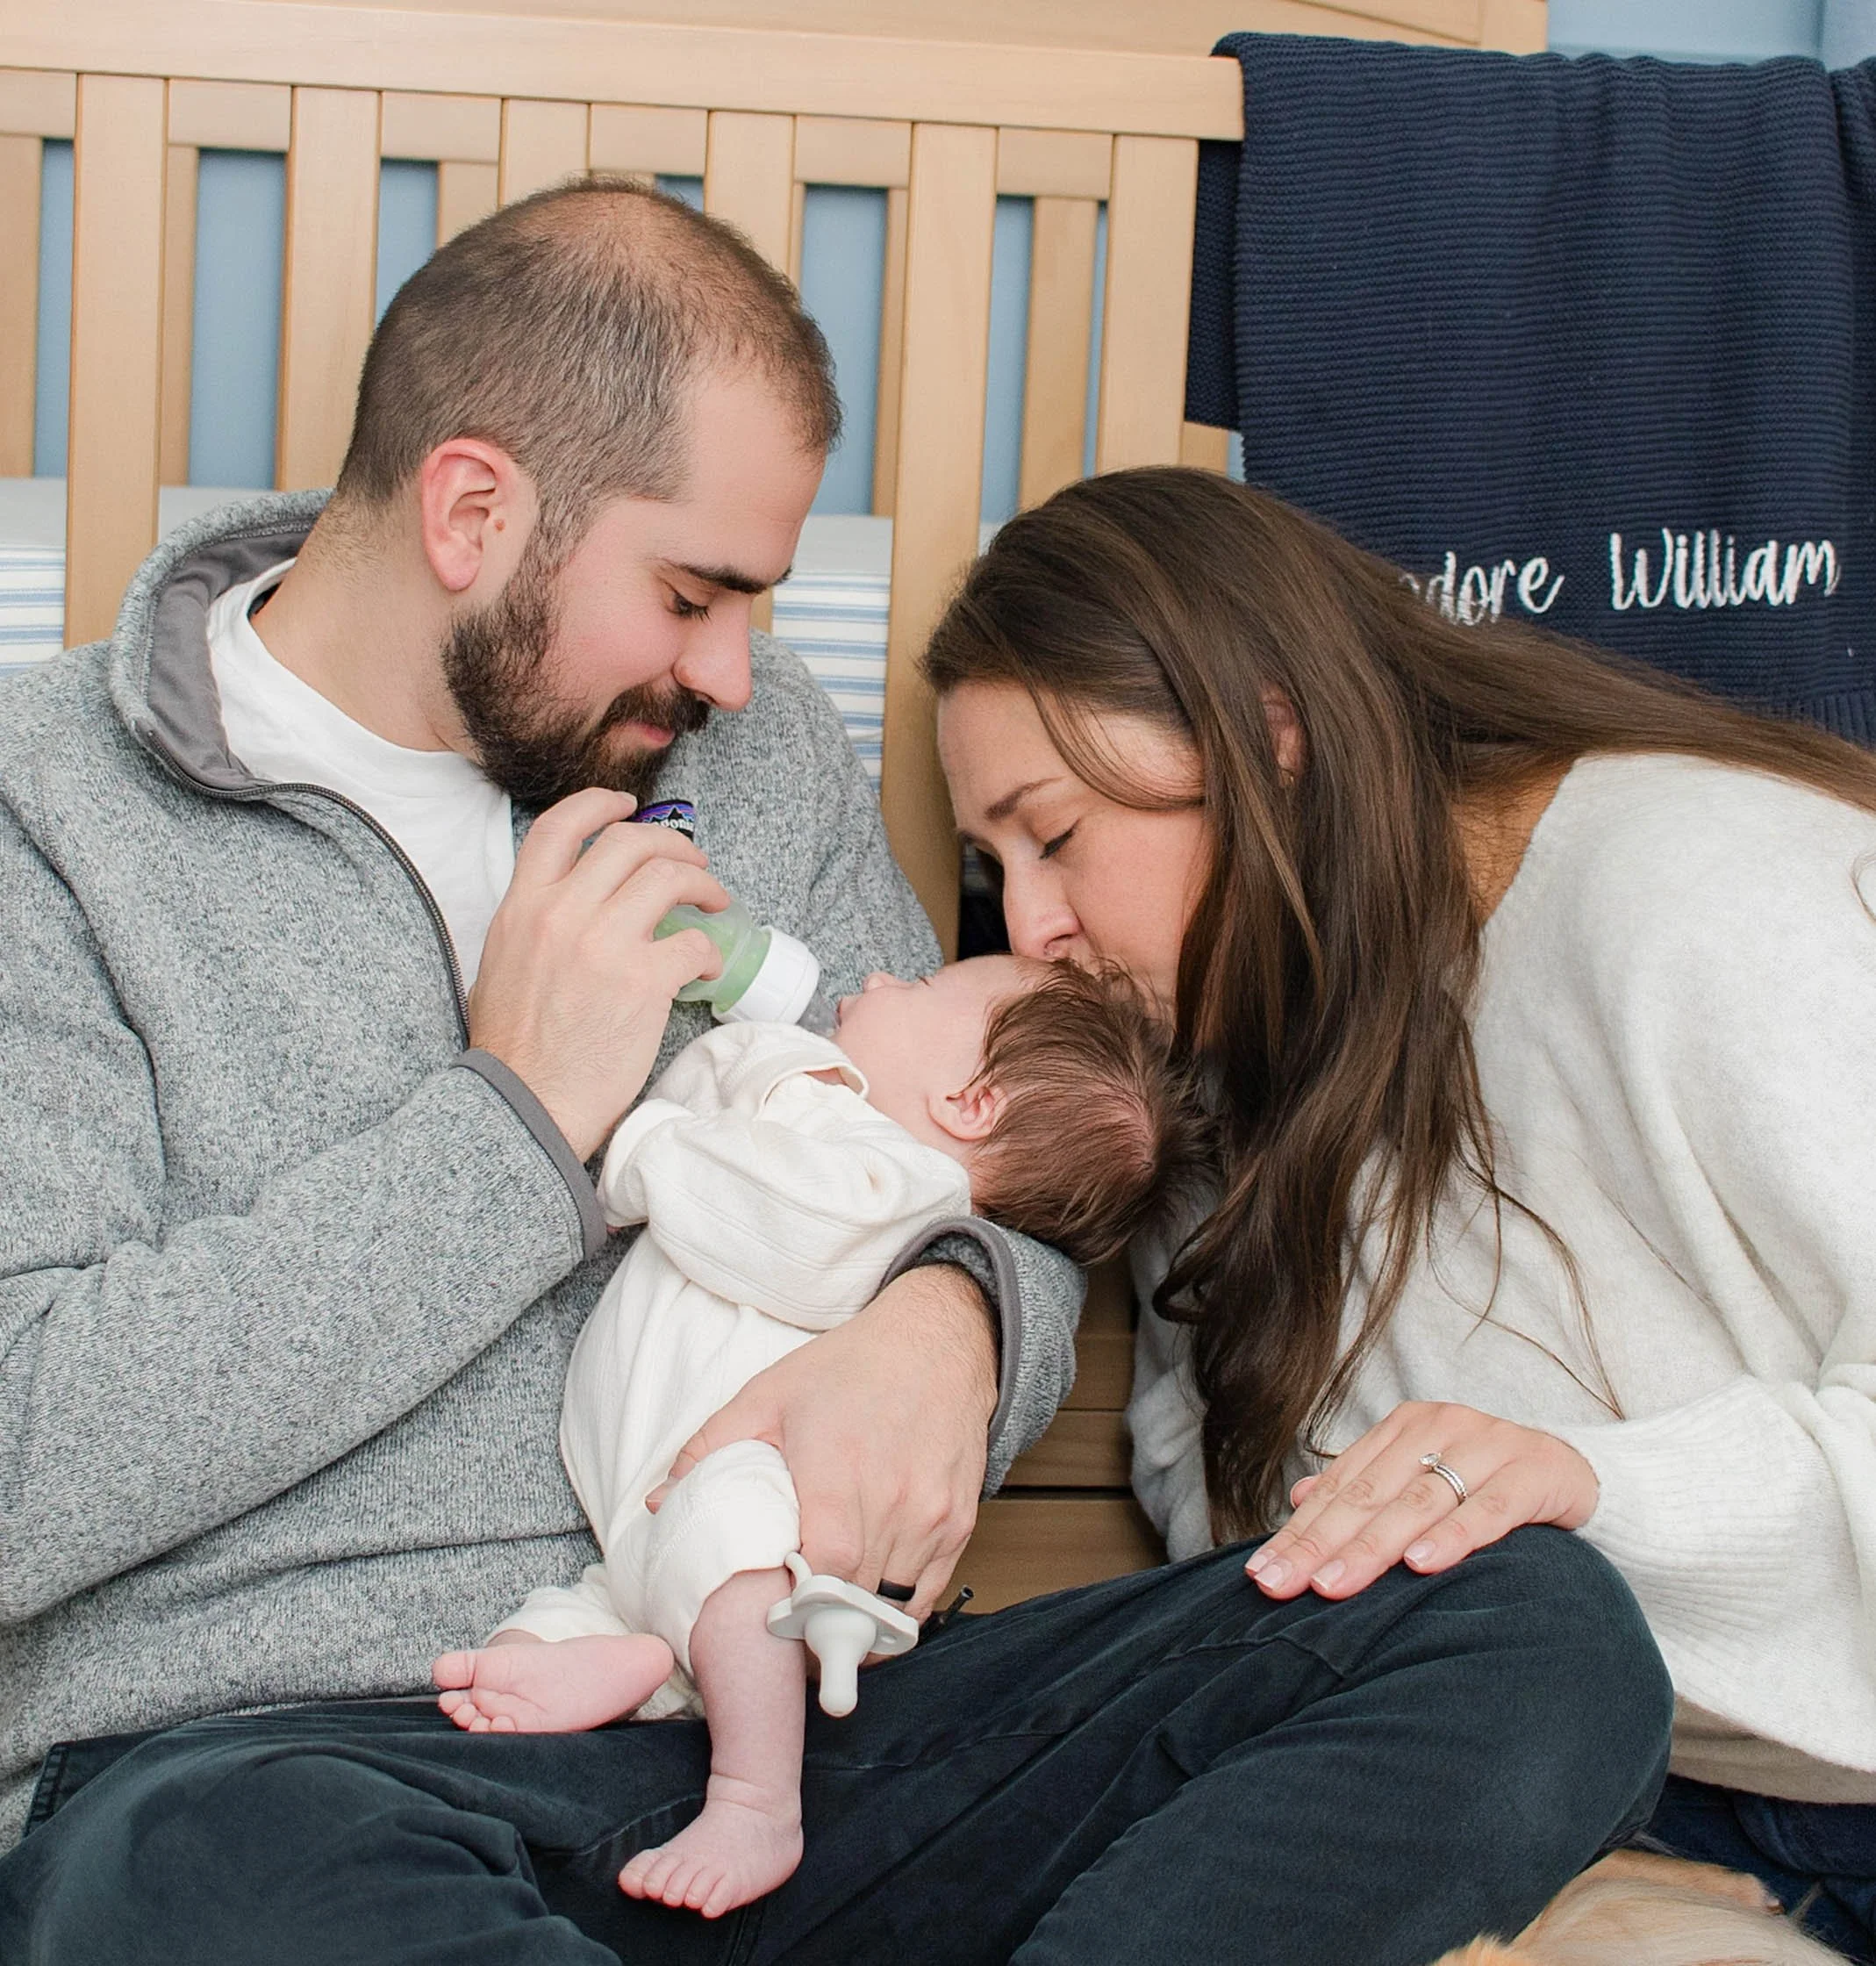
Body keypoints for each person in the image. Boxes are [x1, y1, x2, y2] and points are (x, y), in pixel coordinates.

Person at [0, 177, 1669, 1964]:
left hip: (819, 1731)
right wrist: (515, 1133)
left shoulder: (732, 738)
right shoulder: (53, 823)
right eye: (692, 592)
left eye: (757, 603)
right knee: (181, 1875)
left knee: (1525, 1627)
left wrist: (944, 1316)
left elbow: (1002, 1144)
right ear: (472, 509)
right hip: (304, 1766)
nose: (734, 666)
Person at [925, 465, 1876, 1962]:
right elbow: (1210, 1477)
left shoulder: (1708, 901)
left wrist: (1588, 1488)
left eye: (1053, 836)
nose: (1031, 930)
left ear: (1268, 733)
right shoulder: (1222, 1060)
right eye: (992, 871)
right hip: (1558, 1807)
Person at [433, 956, 1192, 1922]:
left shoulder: (891, 1182)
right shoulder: (837, 1125)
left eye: (916, 986)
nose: (876, 972)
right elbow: (724, 1072)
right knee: (548, 1632)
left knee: (730, 1556)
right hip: (643, 1508)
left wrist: (643, 1149)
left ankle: (754, 1798)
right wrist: (772, 1072)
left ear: (967, 1101)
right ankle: (636, 1667)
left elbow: (758, 1215)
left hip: (752, 1491)